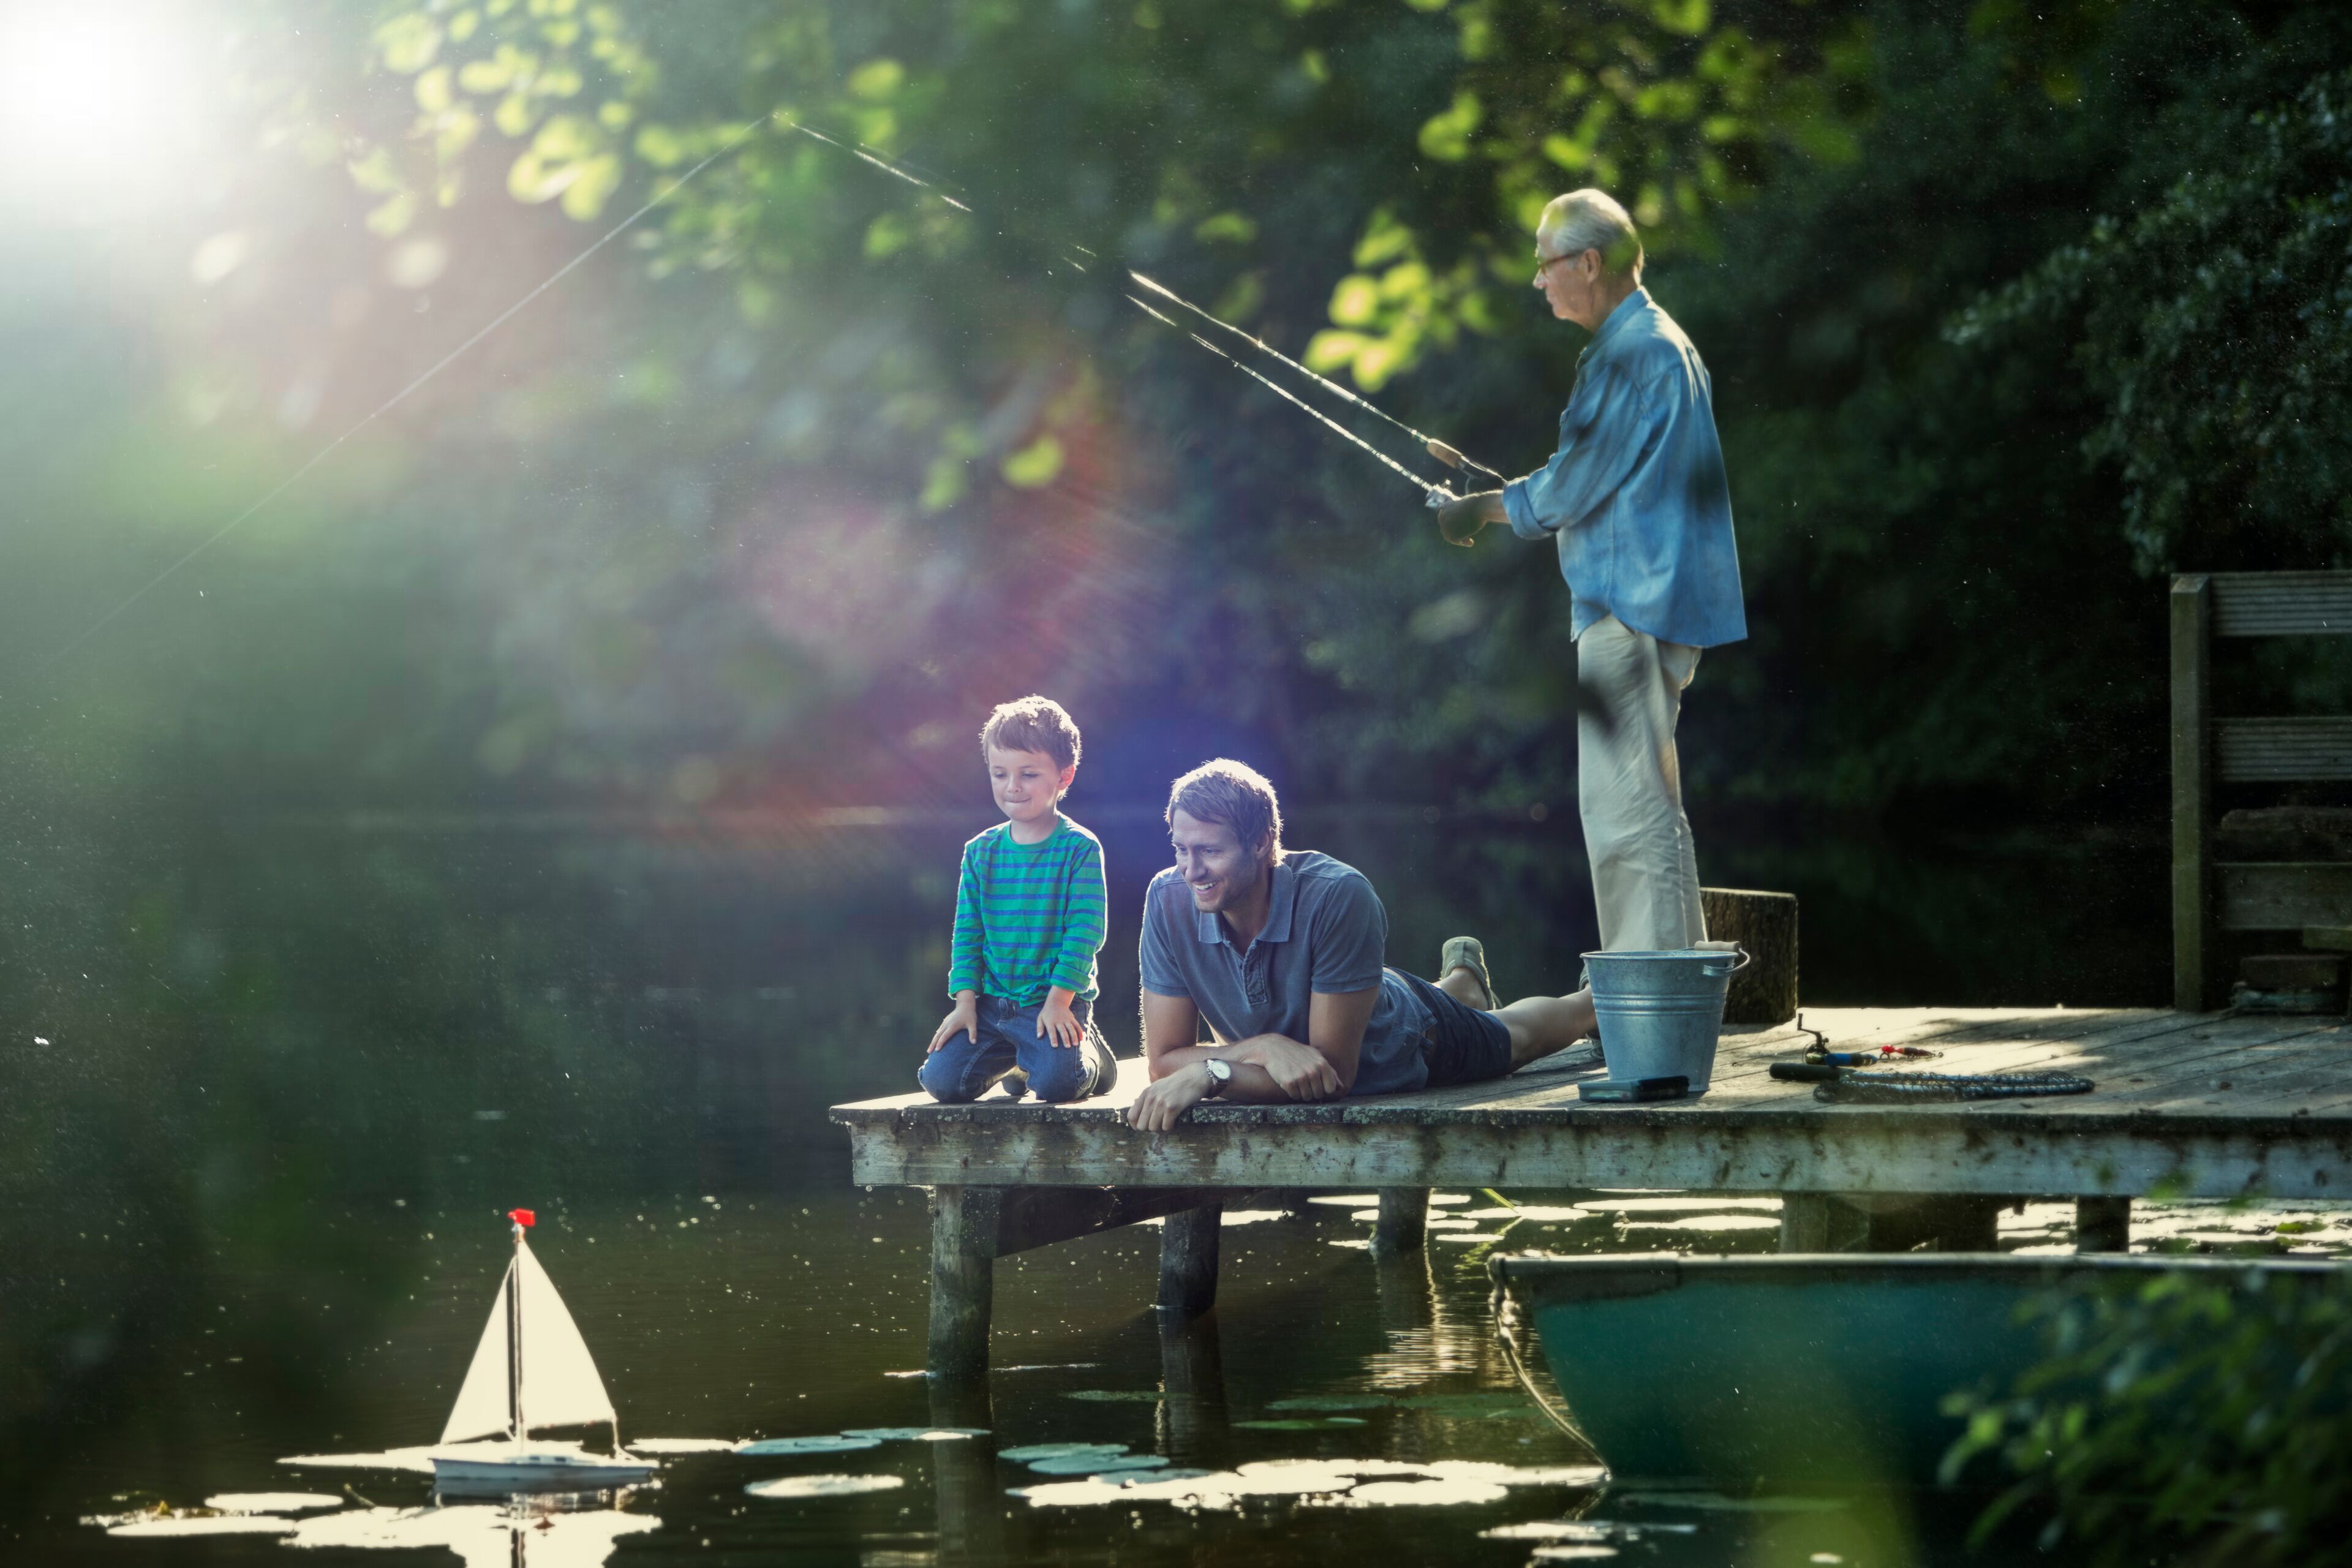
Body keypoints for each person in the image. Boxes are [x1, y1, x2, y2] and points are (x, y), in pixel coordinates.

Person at [1432, 189, 1746, 953]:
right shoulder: (1661, 342)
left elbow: (1570, 486)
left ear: (1589, 262)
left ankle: (1653, 1010)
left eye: (1546, 266)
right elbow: (1592, 475)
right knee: (1648, 805)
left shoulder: (1630, 353)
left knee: (1626, 812)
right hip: (1655, 603)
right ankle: (1668, 1000)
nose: (1539, 281)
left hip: (1629, 610)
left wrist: (1476, 509)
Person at [1124, 759, 1598, 1132]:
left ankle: (1593, 1002)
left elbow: (1330, 1075)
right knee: (1462, 1007)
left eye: (1210, 851)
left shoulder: (1339, 894)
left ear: (1263, 844)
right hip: (1349, 998)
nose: (1191, 870)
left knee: (1514, 1038)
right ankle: (1463, 985)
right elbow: (1164, 1061)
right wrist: (1266, 1048)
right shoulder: (1167, 901)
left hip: (1408, 1037)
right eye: (1181, 849)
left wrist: (1213, 1072)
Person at [921, 696, 1118, 1103]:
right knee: (940, 1082)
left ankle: (1091, 1053)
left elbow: (1085, 933)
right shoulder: (980, 852)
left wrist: (1060, 1002)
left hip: (1053, 1002)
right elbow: (967, 934)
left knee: (1059, 1085)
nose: (1012, 787)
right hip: (992, 1008)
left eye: (1028, 774)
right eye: (1000, 773)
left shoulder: (1080, 849)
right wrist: (965, 1003)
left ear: (1064, 777)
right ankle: (1017, 1060)